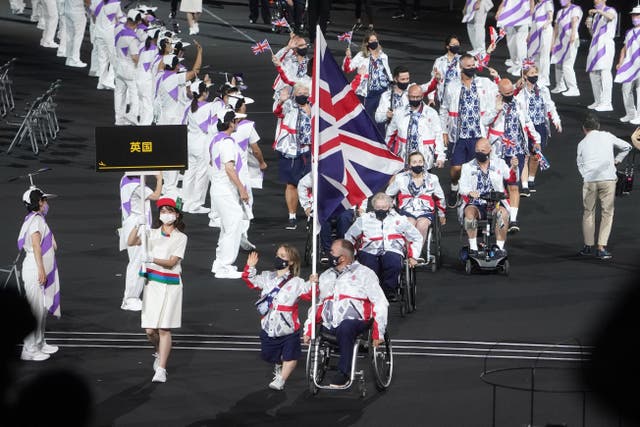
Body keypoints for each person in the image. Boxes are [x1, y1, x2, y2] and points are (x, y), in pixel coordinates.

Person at [304, 239, 389, 388]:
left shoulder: (365, 274)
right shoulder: (326, 275)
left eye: (332, 252)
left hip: (356, 323)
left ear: (342, 258)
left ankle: (344, 373)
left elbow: (380, 302)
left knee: (346, 326)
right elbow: (317, 304)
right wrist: (309, 328)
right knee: (328, 329)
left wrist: (378, 333)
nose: (328, 254)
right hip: (330, 323)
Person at [127, 197, 188, 383]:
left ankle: (161, 368)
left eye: (169, 211)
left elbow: (171, 263)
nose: (165, 214)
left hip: (170, 285)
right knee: (149, 330)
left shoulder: (181, 237)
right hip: (152, 284)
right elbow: (131, 242)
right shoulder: (151, 233)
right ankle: (158, 351)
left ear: (176, 214)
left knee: (164, 329)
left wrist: (151, 258)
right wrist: (137, 226)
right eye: (162, 211)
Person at [241, 245, 310, 390]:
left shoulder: (297, 282)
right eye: (278, 255)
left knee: (290, 356)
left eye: (283, 256)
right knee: (268, 355)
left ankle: (281, 380)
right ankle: (278, 363)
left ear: (291, 262)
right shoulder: (267, 277)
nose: (278, 258)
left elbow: (310, 293)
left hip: (289, 327)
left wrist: (313, 282)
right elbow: (250, 281)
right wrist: (250, 266)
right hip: (269, 326)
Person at [439, 53, 499, 208]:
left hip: (478, 135)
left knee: (476, 167)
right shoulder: (452, 85)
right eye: (468, 66)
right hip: (458, 135)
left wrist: (497, 77)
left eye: (473, 66)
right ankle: (454, 188)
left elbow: (502, 91)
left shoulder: (483, 83)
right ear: (461, 67)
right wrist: (444, 131)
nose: (472, 69)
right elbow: (444, 109)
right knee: (456, 168)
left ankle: (474, 197)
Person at [344, 193, 422, 300]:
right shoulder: (364, 219)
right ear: (373, 207)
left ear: (389, 207)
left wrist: (413, 256)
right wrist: (351, 255)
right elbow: (349, 236)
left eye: (384, 207)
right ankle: (371, 291)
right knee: (369, 265)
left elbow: (416, 237)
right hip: (369, 250)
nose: (380, 210)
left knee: (393, 262)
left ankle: (388, 291)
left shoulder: (400, 220)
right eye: (378, 207)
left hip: (392, 249)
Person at [576, 115, 632, 260]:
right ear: (598, 127)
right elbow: (627, 146)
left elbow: (580, 164)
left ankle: (588, 246)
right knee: (607, 213)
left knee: (588, 212)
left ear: (584, 129)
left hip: (590, 180)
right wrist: (617, 161)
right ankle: (601, 248)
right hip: (608, 179)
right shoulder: (607, 136)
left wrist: (586, 175)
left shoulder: (582, 143)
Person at [488, 78, 541, 232]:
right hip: (498, 149)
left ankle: (513, 220)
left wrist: (536, 139)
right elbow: (484, 121)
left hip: (516, 149)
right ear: (500, 92)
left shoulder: (518, 103)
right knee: (497, 184)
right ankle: (497, 215)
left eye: (512, 92)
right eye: (507, 93)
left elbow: (527, 121)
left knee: (513, 185)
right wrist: (496, 109)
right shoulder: (493, 102)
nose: (510, 95)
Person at [16, 187, 61, 362]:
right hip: (35, 269)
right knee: (35, 309)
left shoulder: (38, 220)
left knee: (41, 308)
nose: (47, 203)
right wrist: (41, 270)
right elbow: (36, 246)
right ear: (39, 203)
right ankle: (29, 349)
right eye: (44, 200)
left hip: (40, 268)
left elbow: (51, 244)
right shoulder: (35, 221)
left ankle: (40, 342)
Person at [156, 41, 203, 197]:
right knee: (173, 156)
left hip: (164, 120)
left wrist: (168, 54)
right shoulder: (174, 79)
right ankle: (170, 188)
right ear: (175, 67)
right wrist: (200, 52)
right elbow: (195, 71)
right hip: (173, 122)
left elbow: (161, 65)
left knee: (167, 155)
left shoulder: (161, 75)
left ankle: (167, 185)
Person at [209, 110, 251, 279]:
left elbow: (212, 162)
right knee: (233, 224)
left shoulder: (216, 139)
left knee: (227, 226)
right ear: (230, 123)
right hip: (225, 190)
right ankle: (225, 265)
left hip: (220, 189)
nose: (238, 124)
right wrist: (242, 189)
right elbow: (229, 168)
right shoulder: (227, 142)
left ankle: (220, 262)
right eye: (236, 121)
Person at [459, 138, 517, 254]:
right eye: (477, 150)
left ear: (490, 151)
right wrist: (469, 192)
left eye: (483, 150)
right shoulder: (467, 166)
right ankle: (473, 247)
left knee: (503, 214)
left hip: (495, 203)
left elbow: (510, 178)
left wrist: (514, 168)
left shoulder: (499, 163)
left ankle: (499, 248)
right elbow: (462, 187)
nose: (479, 153)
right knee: (469, 215)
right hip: (476, 203)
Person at [515, 64, 562, 194]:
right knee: (525, 155)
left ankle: (531, 179)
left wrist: (556, 120)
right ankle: (524, 186)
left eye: (536, 73)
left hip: (540, 126)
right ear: (525, 76)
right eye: (531, 74)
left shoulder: (543, 90)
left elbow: (550, 105)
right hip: (525, 128)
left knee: (536, 155)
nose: (535, 76)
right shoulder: (520, 94)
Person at [119, 173, 163, 311]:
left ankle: (133, 297)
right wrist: (159, 179)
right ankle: (130, 299)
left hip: (133, 222)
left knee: (138, 262)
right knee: (136, 263)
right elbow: (156, 196)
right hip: (137, 224)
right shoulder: (136, 185)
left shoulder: (125, 179)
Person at [386, 151, 447, 249]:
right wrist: (390, 210)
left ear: (424, 163)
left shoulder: (432, 178)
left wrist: (441, 214)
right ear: (409, 164)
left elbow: (440, 197)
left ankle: (415, 254)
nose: (417, 164)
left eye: (420, 161)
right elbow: (389, 194)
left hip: (425, 210)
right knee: (409, 223)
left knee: (422, 225)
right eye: (414, 162)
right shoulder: (401, 178)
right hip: (406, 210)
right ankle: (408, 253)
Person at [273, 81, 312, 230]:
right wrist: (282, 100)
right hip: (290, 150)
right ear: (294, 94)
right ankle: (292, 216)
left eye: (305, 93)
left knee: (311, 183)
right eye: (300, 93)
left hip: (309, 150)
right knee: (291, 184)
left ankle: (310, 214)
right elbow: (278, 112)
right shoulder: (289, 105)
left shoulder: (314, 107)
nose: (303, 95)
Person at [297, 172, 355, 261]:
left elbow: (362, 189)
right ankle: (328, 251)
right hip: (324, 206)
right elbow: (302, 184)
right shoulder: (321, 170)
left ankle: (343, 248)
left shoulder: (349, 169)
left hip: (344, 205)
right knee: (322, 218)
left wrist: (362, 207)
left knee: (344, 218)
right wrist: (306, 206)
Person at [386, 84, 446, 168]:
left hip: (425, 157)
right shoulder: (399, 113)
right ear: (407, 96)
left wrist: (440, 157)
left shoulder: (432, 113)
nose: (415, 99)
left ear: (422, 96)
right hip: (403, 156)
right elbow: (390, 133)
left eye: (417, 97)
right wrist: (387, 153)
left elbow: (438, 135)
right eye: (412, 97)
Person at [182, 78, 215, 215]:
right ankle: (196, 204)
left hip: (190, 142)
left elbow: (183, 122)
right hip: (202, 143)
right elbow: (208, 128)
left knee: (190, 172)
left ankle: (186, 201)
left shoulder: (189, 105)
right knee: (202, 174)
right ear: (204, 93)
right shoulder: (208, 107)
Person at [343, 31, 392, 120]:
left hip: (381, 90)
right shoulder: (361, 55)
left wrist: (392, 83)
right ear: (366, 43)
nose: (374, 42)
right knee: (366, 117)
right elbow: (348, 69)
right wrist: (348, 58)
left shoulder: (384, 56)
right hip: (366, 92)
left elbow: (388, 72)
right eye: (371, 40)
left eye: (375, 40)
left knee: (380, 115)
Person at [585, 0, 617, 112]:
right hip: (595, 45)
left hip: (606, 45)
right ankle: (598, 100)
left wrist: (599, 10)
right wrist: (589, 26)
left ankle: (607, 102)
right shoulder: (597, 16)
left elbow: (611, 17)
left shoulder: (610, 10)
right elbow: (593, 34)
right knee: (593, 73)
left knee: (605, 72)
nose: (596, 1)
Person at [113, 9, 141, 126]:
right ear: (137, 22)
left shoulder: (118, 28)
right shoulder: (132, 38)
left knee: (119, 93)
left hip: (118, 64)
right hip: (129, 68)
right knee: (134, 92)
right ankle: (132, 115)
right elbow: (135, 57)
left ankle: (119, 119)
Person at [550, 0, 583, 97]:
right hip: (560, 41)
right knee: (558, 63)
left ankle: (573, 88)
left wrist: (573, 34)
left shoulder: (575, 9)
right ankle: (560, 85)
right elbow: (556, 28)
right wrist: (553, 42)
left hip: (571, 39)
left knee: (567, 65)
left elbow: (574, 21)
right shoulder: (560, 12)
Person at [614, 6, 640, 124]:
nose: (635, 17)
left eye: (637, 15)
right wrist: (620, 62)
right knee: (626, 89)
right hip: (629, 66)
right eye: (634, 15)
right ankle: (631, 113)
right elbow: (624, 49)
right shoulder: (629, 32)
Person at [496, 0, 532, 77]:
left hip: (523, 14)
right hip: (509, 15)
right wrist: (499, 10)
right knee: (511, 42)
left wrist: (531, 12)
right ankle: (516, 64)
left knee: (521, 44)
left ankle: (522, 68)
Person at [374, 65, 411, 129]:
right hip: (392, 133)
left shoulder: (412, 91)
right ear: (395, 79)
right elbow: (377, 117)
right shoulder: (386, 96)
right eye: (403, 79)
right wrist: (386, 115)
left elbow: (426, 88)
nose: (406, 81)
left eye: (407, 79)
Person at [527, 0, 554, 87]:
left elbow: (550, 18)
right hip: (535, 32)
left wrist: (545, 25)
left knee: (544, 56)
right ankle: (538, 75)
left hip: (544, 31)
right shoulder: (537, 5)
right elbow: (533, 21)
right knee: (535, 55)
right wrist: (529, 34)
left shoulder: (548, 3)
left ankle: (545, 79)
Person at [431, 35, 462, 105]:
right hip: (444, 96)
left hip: (459, 95)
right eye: (453, 44)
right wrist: (431, 98)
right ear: (447, 46)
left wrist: (487, 52)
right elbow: (433, 80)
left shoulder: (463, 59)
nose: (456, 46)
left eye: (457, 44)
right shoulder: (439, 61)